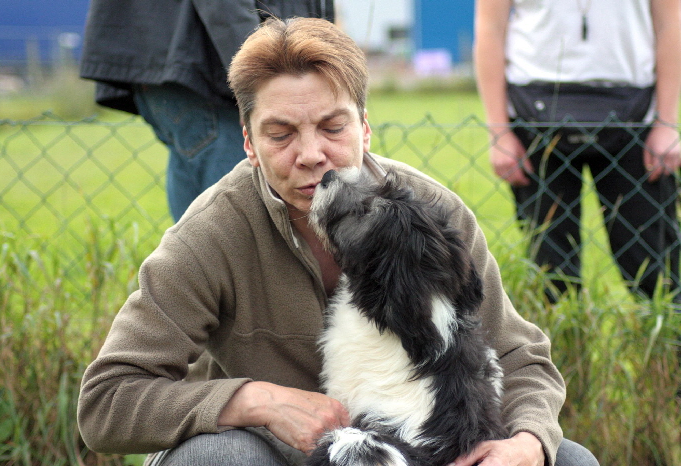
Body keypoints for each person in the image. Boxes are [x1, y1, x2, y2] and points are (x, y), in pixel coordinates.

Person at [77, 17, 599, 466]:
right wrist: (252, 401)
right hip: (270, 451)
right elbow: (105, 402)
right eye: (281, 134)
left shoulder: (434, 218)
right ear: (249, 143)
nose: (311, 154)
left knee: (569, 458)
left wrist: (528, 439)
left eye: (332, 127)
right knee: (220, 458)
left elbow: (520, 356)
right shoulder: (211, 234)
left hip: (416, 444)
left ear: (365, 128)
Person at [474, 0, 681, 302]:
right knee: (551, 275)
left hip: (637, 120)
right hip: (535, 118)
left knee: (659, 273)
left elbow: (670, 23)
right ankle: (559, 347)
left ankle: (666, 348)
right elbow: (490, 28)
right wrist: (500, 132)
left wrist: (666, 122)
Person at [79, 0, 334, 221]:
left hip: (174, 61)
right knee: (243, 229)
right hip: (208, 68)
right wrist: (263, 86)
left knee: (200, 219)